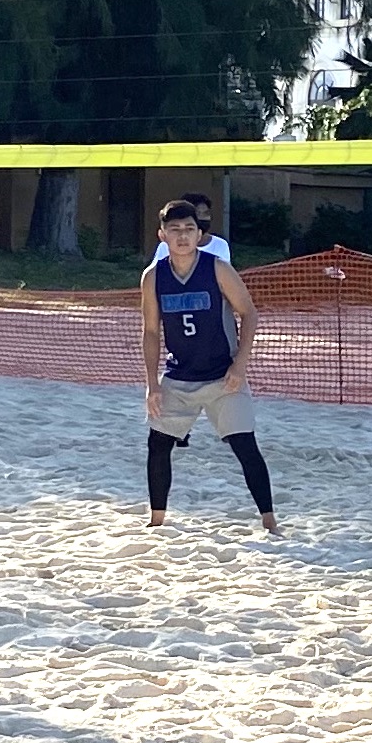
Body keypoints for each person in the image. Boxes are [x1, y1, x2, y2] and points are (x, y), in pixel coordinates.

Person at [141, 198, 276, 534]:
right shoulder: (153, 277)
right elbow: (151, 331)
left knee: (244, 445)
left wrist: (240, 366)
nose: (182, 236)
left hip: (222, 375)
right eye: (175, 230)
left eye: (189, 229)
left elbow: (249, 313)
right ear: (162, 235)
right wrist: (152, 384)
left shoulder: (217, 268)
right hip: (179, 376)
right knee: (158, 444)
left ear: (199, 234)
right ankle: (156, 520)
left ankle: (270, 521)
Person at [140, 188, 232, 267]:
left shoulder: (220, 245)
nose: (202, 218)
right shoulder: (166, 245)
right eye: (198, 214)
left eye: (206, 214)